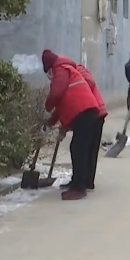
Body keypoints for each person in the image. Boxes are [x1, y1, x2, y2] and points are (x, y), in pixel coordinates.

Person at [42, 49, 101, 201]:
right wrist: (50, 123)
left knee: (78, 149)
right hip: (86, 112)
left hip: (85, 112)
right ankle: (78, 183)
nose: (49, 75)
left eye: (48, 71)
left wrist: (47, 106)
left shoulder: (60, 68)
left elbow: (56, 94)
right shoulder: (66, 69)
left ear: (50, 67)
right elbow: (62, 105)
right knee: (78, 148)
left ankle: (79, 188)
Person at [72, 63, 107, 191]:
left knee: (81, 148)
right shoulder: (82, 73)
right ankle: (87, 181)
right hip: (98, 111)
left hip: (91, 112)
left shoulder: (75, 76)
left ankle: (81, 181)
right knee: (91, 149)